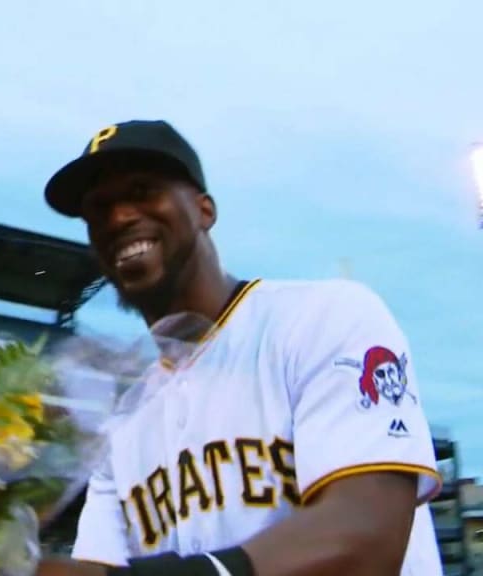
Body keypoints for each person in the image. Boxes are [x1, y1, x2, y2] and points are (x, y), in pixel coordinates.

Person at [36, 120, 442, 575]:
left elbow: (367, 536)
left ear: (205, 210)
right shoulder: (124, 422)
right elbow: (98, 569)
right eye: (98, 208)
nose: (119, 217)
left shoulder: (323, 317)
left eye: (142, 190)